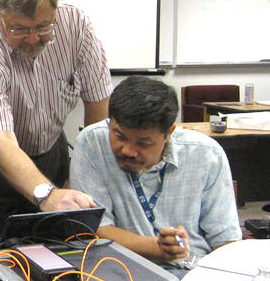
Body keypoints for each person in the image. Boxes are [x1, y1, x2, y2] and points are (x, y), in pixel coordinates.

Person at [0, 0, 111, 227]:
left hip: (51, 149)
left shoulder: (76, 26)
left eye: (42, 27)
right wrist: (46, 195)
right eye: (19, 29)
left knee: (61, 241)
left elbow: (98, 107)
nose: (32, 39)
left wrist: (83, 175)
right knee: (3, 245)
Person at [70, 75, 242, 263]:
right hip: (123, 268)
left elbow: (226, 241)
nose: (128, 151)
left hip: (194, 268)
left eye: (143, 143)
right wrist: (156, 248)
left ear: (169, 132)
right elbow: (94, 229)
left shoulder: (207, 154)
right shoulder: (93, 143)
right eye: (119, 136)